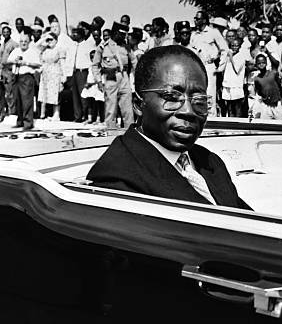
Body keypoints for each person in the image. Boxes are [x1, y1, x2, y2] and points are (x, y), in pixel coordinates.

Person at [87, 45, 251, 210]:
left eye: (199, 100)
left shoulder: (209, 162)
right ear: (138, 105)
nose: (188, 111)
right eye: (171, 97)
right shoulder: (118, 181)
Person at [92, 21, 135, 128]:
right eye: (121, 34)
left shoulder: (126, 47)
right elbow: (95, 65)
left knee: (127, 109)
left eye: (125, 34)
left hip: (124, 77)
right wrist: (98, 81)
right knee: (111, 109)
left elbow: (135, 62)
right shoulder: (103, 47)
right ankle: (111, 132)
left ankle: (129, 133)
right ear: (115, 33)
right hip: (111, 78)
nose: (124, 36)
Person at [6, 33, 41, 129]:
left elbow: (38, 64)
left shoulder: (32, 52)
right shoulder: (16, 51)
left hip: (27, 77)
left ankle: (28, 123)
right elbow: (8, 61)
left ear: (29, 42)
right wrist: (15, 61)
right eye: (21, 41)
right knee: (18, 100)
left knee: (27, 101)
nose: (23, 43)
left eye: (25, 41)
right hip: (16, 77)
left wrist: (26, 63)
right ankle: (20, 121)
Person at [37, 32, 64, 121]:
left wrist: (63, 76)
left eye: (51, 39)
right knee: (44, 94)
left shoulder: (59, 49)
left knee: (55, 94)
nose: (49, 41)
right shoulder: (45, 49)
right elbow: (37, 46)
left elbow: (63, 63)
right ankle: (43, 114)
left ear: (56, 40)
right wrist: (45, 38)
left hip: (55, 73)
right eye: (48, 40)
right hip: (45, 74)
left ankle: (56, 114)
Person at [219, 38, 249, 117]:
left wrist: (231, 57)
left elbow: (236, 70)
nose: (234, 47)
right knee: (229, 108)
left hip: (236, 86)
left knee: (237, 107)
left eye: (236, 46)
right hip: (228, 85)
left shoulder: (241, 56)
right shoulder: (228, 55)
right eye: (232, 46)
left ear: (239, 47)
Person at [253, 54, 282, 120]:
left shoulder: (273, 73)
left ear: (266, 63)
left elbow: (280, 86)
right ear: (256, 64)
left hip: (276, 105)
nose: (261, 64)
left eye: (263, 62)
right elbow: (259, 91)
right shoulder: (257, 79)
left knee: (280, 124)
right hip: (266, 106)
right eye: (259, 63)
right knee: (265, 124)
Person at [0, 24, 19, 118]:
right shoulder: (3, 43)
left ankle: (12, 112)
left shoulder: (13, 43)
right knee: (3, 93)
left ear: (10, 33)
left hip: (9, 70)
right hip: (2, 70)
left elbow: (18, 55)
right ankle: (5, 111)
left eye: (7, 32)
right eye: (4, 32)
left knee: (10, 92)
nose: (5, 33)